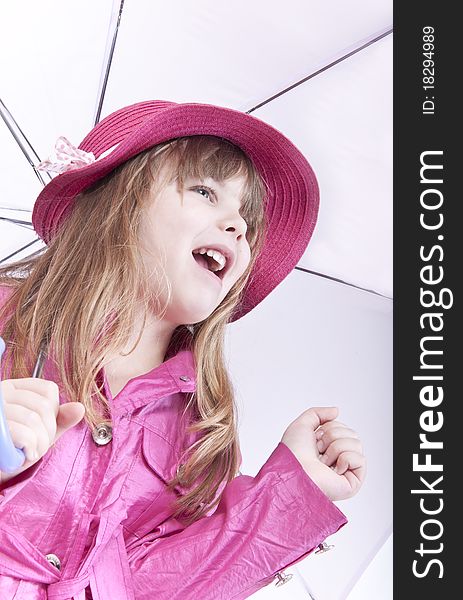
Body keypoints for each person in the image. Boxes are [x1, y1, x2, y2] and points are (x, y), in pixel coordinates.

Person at [0, 100, 366, 599]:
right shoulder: (11, 326)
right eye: (204, 190)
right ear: (119, 202)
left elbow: (153, 587)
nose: (237, 225)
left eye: (247, 220)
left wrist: (293, 489)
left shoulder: (199, 429)